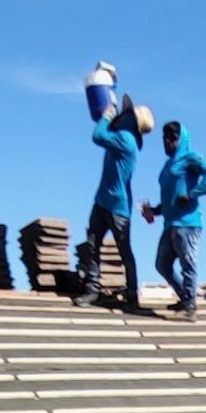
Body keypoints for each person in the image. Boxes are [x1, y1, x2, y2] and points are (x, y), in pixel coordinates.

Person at [76, 95, 151, 311]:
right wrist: (110, 90)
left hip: (118, 207)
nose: (121, 115)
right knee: (92, 246)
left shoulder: (126, 140)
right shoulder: (123, 136)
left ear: (132, 122)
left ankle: (131, 295)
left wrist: (107, 115)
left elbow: (98, 135)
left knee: (124, 251)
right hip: (102, 201)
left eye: (127, 114)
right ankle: (93, 289)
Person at [142, 121, 206, 322]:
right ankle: (184, 296)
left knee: (188, 262)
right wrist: (154, 211)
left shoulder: (190, 158)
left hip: (188, 223)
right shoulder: (168, 166)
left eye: (172, 138)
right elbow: (169, 200)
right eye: (164, 139)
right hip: (171, 224)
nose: (167, 142)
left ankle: (190, 305)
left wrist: (192, 194)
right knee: (162, 264)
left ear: (180, 139)